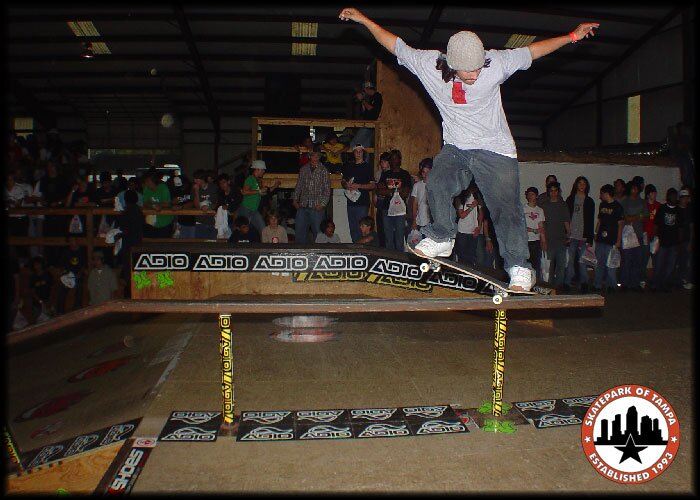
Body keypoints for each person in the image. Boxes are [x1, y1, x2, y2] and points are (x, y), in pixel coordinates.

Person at [339, 6, 599, 291]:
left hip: (496, 151)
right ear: (451, 64)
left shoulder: (496, 63)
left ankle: (519, 267)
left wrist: (573, 36)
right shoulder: (427, 64)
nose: (475, 74)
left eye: (478, 67)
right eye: (468, 70)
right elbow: (394, 44)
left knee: (505, 209)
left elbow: (533, 51)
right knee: (436, 182)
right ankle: (442, 236)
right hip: (457, 148)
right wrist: (363, 19)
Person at [375, 149, 412, 250]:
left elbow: (405, 193)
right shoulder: (386, 174)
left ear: (400, 160)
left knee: (399, 239)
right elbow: (379, 191)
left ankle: (399, 259)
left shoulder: (405, 174)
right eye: (392, 159)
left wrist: (388, 190)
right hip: (386, 208)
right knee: (388, 239)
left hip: (400, 210)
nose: (394, 161)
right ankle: (389, 259)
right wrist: (396, 190)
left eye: (396, 158)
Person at [564, 176, 595, 293]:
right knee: (570, 261)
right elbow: (566, 218)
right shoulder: (570, 199)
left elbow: (591, 221)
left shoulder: (589, 201)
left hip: (583, 236)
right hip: (571, 236)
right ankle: (567, 282)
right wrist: (566, 234)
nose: (582, 185)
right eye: (580, 183)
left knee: (583, 261)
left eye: (584, 183)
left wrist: (590, 239)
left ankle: (584, 283)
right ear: (576, 185)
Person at [293, 150, 331, 244]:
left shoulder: (324, 170)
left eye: (317, 156)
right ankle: (300, 252)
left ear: (319, 157)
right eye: (313, 156)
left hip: (317, 207)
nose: (315, 158)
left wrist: (322, 204)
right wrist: (295, 200)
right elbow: (299, 185)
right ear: (310, 156)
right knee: (299, 232)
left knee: (318, 234)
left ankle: (319, 252)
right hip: (303, 205)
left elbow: (327, 189)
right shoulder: (303, 169)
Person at [592, 184, 624, 294]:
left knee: (611, 264)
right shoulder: (602, 205)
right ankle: (597, 284)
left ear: (606, 193)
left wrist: (618, 240)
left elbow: (620, 225)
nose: (600, 196)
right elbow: (600, 221)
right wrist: (596, 232)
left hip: (612, 240)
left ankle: (611, 285)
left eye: (602, 194)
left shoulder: (617, 207)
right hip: (601, 239)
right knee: (598, 263)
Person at [341, 144, 376, 243]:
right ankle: (355, 248)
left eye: (360, 151)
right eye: (356, 151)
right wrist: (346, 185)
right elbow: (343, 181)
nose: (358, 153)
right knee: (353, 229)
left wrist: (359, 186)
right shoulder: (348, 166)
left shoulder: (367, 167)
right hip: (350, 202)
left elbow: (372, 185)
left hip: (362, 203)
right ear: (353, 153)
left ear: (363, 153)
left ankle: (362, 249)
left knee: (362, 229)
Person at [651, 188, 683, 293]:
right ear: (668, 197)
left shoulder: (678, 210)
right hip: (662, 241)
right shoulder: (662, 209)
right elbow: (656, 224)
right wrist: (655, 238)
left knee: (670, 266)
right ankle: (655, 284)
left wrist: (679, 242)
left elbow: (680, 228)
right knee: (659, 264)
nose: (674, 198)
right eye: (672, 196)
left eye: (675, 196)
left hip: (673, 242)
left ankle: (664, 283)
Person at [619, 181, 649, 291]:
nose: (635, 190)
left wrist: (635, 216)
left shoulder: (642, 202)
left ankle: (635, 283)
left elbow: (646, 217)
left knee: (638, 260)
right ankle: (624, 283)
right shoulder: (625, 202)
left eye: (636, 188)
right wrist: (636, 216)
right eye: (633, 188)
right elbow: (624, 217)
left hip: (639, 234)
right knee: (626, 260)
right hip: (627, 235)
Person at [114, 189, 144, 298]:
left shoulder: (126, 213)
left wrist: (117, 235)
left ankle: (129, 294)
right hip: (138, 243)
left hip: (128, 244)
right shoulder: (139, 212)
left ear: (125, 200)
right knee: (137, 269)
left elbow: (123, 230)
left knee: (128, 270)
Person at [540, 182, 570, 289]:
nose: (553, 193)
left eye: (555, 190)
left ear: (558, 191)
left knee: (561, 265)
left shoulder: (563, 204)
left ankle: (559, 287)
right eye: (551, 191)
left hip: (561, 239)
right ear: (548, 192)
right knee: (549, 267)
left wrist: (569, 234)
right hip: (548, 240)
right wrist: (543, 240)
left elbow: (566, 220)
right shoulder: (544, 206)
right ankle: (548, 287)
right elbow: (541, 224)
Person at [240, 160, 280, 235]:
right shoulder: (250, 179)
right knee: (244, 232)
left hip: (254, 210)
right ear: (257, 169)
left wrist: (275, 186)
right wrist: (259, 191)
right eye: (262, 169)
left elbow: (264, 192)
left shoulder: (257, 180)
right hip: (246, 209)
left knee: (263, 230)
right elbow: (244, 192)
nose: (264, 171)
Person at [56, 234, 87, 314]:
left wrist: (79, 274)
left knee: (79, 287)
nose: (72, 241)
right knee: (61, 291)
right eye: (70, 240)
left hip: (78, 276)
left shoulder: (82, 251)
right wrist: (64, 274)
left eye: (73, 239)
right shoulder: (65, 251)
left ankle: (77, 309)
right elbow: (62, 265)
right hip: (68, 276)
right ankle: (60, 312)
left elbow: (84, 265)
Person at [454, 182, 482, 266]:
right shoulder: (460, 197)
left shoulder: (477, 196)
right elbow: (462, 215)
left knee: (472, 256)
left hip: (473, 231)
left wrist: (479, 227)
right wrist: (472, 207)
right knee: (462, 256)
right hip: (463, 231)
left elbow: (481, 214)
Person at [523, 187, 547, 282]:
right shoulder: (523, 209)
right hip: (526, 241)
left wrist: (543, 241)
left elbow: (541, 226)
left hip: (536, 241)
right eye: (528, 194)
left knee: (536, 264)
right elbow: (521, 226)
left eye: (532, 194)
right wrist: (532, 230)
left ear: (536, 196)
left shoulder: (540, 210)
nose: (530, 196)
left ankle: (536, 283)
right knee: (526, 264)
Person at [141, 172, 174, 238]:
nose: (146, 183)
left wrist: (157, 205)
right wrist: (153, 206)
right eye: (145, 181)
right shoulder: (146, 189)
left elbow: (167, 203)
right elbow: (145, 203)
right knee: (149, 241)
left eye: (148, 181)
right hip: (151, 222)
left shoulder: (163, 188)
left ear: (154, 181)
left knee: (163, 242)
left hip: (165, 222)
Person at [641, 184, 661, 288]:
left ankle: (655, 281)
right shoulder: (643, 205)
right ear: (648, 194)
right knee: (644, 259)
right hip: (645, 235)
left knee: (656, 260)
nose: (655, 194)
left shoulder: (659, 206)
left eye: (655, 192)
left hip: (655, 236)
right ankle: (642, 279)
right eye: (653, 192)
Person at [351, 81, 383, 147]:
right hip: (368, 125)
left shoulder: (377, 96)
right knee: (365, 146)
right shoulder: (370, 98)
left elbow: (371, 109)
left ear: (367, 88)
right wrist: (362, 101)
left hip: (369, 125)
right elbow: (365, 112)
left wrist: (362, 100)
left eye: (364, 90)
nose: (364, 92)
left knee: (353, 144)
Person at [409, 157, 433, 240]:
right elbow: (415, 204)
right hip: (420, 220)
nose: (425, 175)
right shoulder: (417, 185)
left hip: (431, 222)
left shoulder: (436, 186)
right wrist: (414, 220)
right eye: (423, 172)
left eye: (428, 172)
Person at [675, 187, 694, 289]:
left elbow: (691, 226)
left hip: (686, 239)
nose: (686, 200)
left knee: (686, 261)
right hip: (677, 240)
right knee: (677, 261)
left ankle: (686, 279)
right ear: (680, 198)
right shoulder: (676, 209)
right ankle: (678, 280)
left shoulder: (689, 210)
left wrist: (691, 242)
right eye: (684, 198)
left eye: (687, 198)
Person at [191, 169, 218, 239]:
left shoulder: (214, 187)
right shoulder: (194, 188)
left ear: (202, 179)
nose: (194, 181)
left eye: (196, 179)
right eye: (194, 179)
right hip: (199, 222)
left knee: (212, 243)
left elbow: (218, 203)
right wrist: (196, 191)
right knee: (199, 243)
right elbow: (197, 206)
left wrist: (209, 206)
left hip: (213, 222)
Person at [372, 151, 392, 246]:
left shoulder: (391, 174)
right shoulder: (379, 173)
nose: (382, 164)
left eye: (385, 161)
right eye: (381, 162)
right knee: (381, 228)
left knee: (388, 230)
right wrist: (374, 197)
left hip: (388, 205)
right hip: (380, 204)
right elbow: (375, 188)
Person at [169, 174, 195, 238]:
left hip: (193, 221)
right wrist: (173, 202)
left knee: (192, 241)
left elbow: (193, 202)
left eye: (182, 185)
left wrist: (181, 207)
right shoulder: (176, 189)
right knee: (182, 241)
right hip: (181, 221)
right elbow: (171, 202)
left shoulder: (192, 188)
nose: (181, 187)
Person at [29, 255, 52, 323]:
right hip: (36, 304)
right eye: (35, 265)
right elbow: (32, 291)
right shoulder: (33, 277)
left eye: (38, 264)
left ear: (42, 264)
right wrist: (40, 301)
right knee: (37, 323)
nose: (37, 266)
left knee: (49, 321)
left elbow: (52, 288)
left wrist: (49, 301)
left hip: (48, 302)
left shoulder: (47, 275)